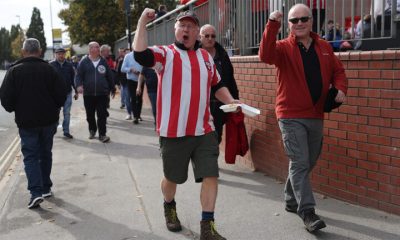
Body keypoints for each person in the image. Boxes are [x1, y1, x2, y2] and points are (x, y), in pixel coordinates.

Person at [133, 9, 239, 240]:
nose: (186, 30)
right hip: (173, 132)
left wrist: (231, 101)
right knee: (172, 179)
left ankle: (207, 226)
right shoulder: (164, 54)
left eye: (191, 26)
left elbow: (217, 85)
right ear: (176, 31)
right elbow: (140, 54)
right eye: (182, 26)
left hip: (204, 130)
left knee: (211, 175)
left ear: (197, 34)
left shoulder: (206, 58)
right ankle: (169, 205)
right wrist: (142, 21)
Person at [259, 4, 348, 232]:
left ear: (311, 21)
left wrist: (340, 89)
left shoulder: (325, 47)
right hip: (290, 115)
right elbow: (265, 55)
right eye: (294, 20)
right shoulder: (283, 48)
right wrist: (272, 24)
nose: (299, 23)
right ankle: (307, 212)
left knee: (308, 161)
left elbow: (338, 71)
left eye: (303, 19)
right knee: (299, 162)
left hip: (316, 114)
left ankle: (290, 199)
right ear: (288, 24)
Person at [0, 38, 67, 208]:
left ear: (23, 51)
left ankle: (35, 192)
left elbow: (6, 100)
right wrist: (54, 108)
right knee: (46, 153)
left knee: (30, 156)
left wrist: (16, 108)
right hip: (48, 121)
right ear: (39, 51)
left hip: (27, 122)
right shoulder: (50, 70)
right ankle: (45, 188)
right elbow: (61, 95)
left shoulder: (14, 71)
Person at [200, 24, 239, 143]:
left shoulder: (222, 54)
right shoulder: (194, 53)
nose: (210, 39)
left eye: (213, 36)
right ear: (200, 37)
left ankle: (211, 159)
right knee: (200, 135)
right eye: (206, 36)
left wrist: (234, 99)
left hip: (219, 104)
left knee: (216, 135)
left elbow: (230, 79)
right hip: (200, 103)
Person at [75, 41, 116, 143]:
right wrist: (79, 85)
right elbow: (78, 75)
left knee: (102, 114)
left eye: (97, 47)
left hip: (102, 94)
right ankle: (92, 130)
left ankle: (102, 134)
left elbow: (109, 76)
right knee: (90, 115)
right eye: (94, 47)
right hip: (88, 94)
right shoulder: (84, 62)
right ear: (89, 50)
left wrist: (113, 88)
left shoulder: (103, 62)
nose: (97, 49)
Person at [50, 47, 78, 139]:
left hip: (67, 93)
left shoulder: (69, 65)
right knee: (55, 113)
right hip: (55, 95)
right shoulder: (51, 65)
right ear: (55, 55)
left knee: (67, 113)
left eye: (62, 54)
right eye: (59, 54)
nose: (61, 55)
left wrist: (76, 91)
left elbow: (73, 79)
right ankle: (54, 128)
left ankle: (66, 131)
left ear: (65, 54)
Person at [121, 50, 143, 124]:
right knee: (133, 98)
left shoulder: (144, 55)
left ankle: (138, 115)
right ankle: (135, 116)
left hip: (141, 79)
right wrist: (130, 69)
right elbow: (123, 69)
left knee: (139, 98)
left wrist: (141, 73)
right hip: (131, 80)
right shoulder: (128, 56)